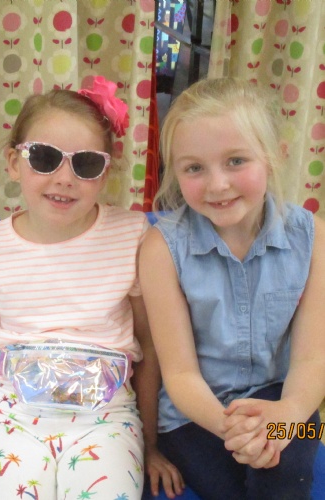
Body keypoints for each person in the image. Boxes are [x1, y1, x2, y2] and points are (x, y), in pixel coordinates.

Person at [0, 76, 184, 499]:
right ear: (14, 162)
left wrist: (151, 445)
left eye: (86, 164)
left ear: (105, 173)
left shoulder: (132, 235)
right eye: (45, 158)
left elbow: (149, 345)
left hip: (107, 417)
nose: (65, 178)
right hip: (13, 416)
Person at [139, 77, 325, 499]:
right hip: (194, 415)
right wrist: (236, 431)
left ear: (273, 157)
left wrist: (288, 416)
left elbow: (312, 359)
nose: (218, 184)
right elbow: (180, 374)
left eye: (236, 161)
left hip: (286, 404)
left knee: (285, 469)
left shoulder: (314, 238)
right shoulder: (161, 248)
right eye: (194, 168)